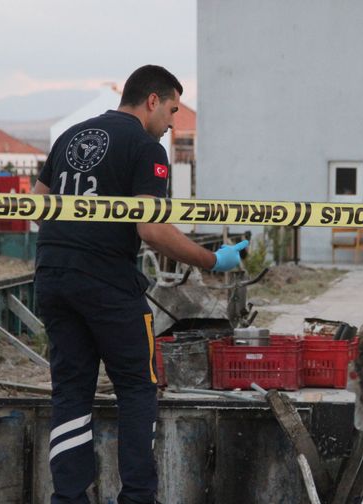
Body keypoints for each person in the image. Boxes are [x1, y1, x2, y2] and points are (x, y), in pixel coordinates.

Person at [32, 65, 247, 504]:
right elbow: (151, 229)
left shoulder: (70, 137)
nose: (171, 124)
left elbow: (37, 208)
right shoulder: (146, 149)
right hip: (108, 284)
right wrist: (212, 259)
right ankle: (136, 498)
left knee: (71, 391)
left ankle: (68, 498)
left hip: (53, 276)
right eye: (171, 110)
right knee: (137, 387)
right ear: (152, 101)